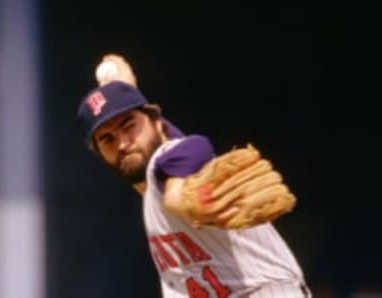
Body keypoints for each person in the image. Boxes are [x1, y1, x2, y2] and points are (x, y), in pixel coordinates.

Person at [77, 54, 311, 297]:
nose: (123, 143)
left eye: (129, 126)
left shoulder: (174, 160)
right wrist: (127, 91)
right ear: (99, 153)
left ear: (157, 122)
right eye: (108, 139)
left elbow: (191, 146)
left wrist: (180, 197)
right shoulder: (152, 186)